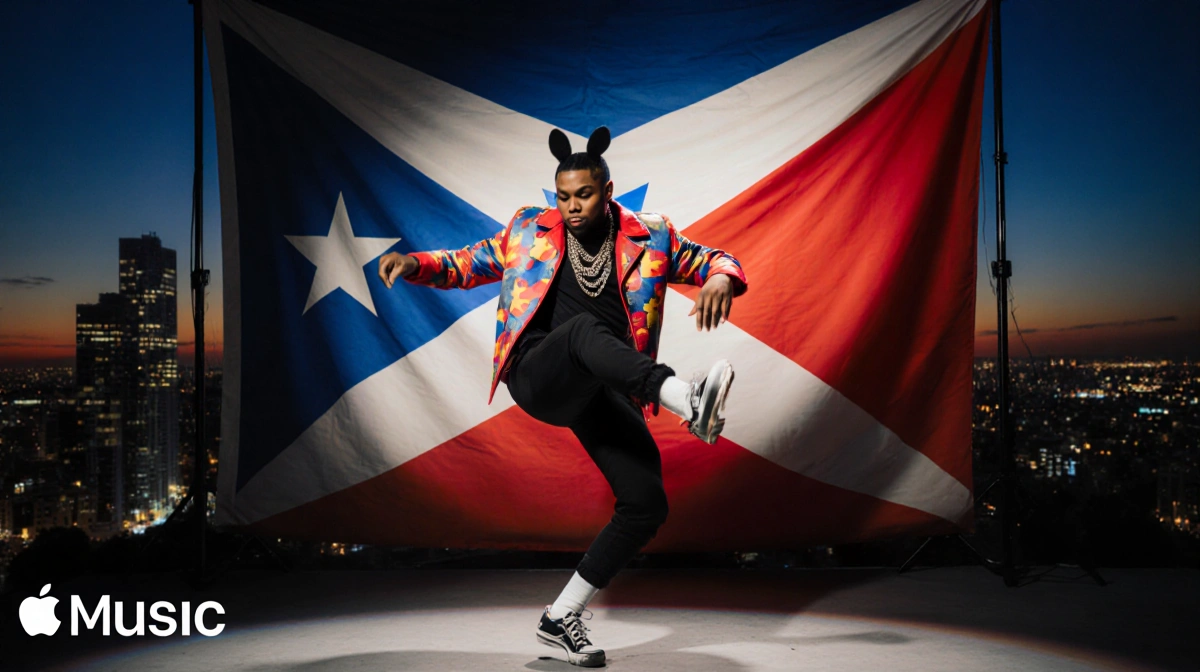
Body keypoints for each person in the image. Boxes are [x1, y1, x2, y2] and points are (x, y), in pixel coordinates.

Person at [378, 125, 747, 667]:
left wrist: (722, 280)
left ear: (608, 190)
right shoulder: (530, 228)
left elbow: (713, 258)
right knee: (579, 333)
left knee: (646, 504)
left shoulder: (653, 234)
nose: (572, 207)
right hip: (538, 373)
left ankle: (560, 618)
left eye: (585, 195)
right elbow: (467, 262)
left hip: (604, 384)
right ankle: (689, 402)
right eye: (564, 196)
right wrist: (417, 264)